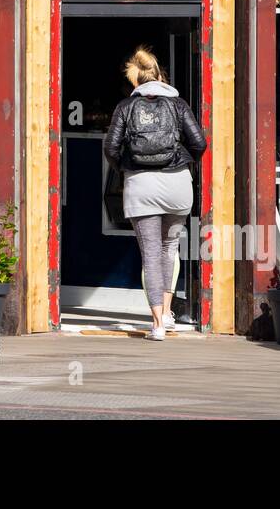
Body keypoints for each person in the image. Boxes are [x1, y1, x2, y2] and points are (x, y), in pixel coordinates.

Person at [102, 46, 206, 342]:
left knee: (150, 255)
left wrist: (128, 166)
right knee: (169, 248)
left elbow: (110, 148)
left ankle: (157, 324)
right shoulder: (178, 104)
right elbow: (199, 143)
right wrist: (179, 159)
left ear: (136, 80)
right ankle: (170, 314)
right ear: (160, 76)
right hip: (177, 186)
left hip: (141, 186)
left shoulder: (126, 107)